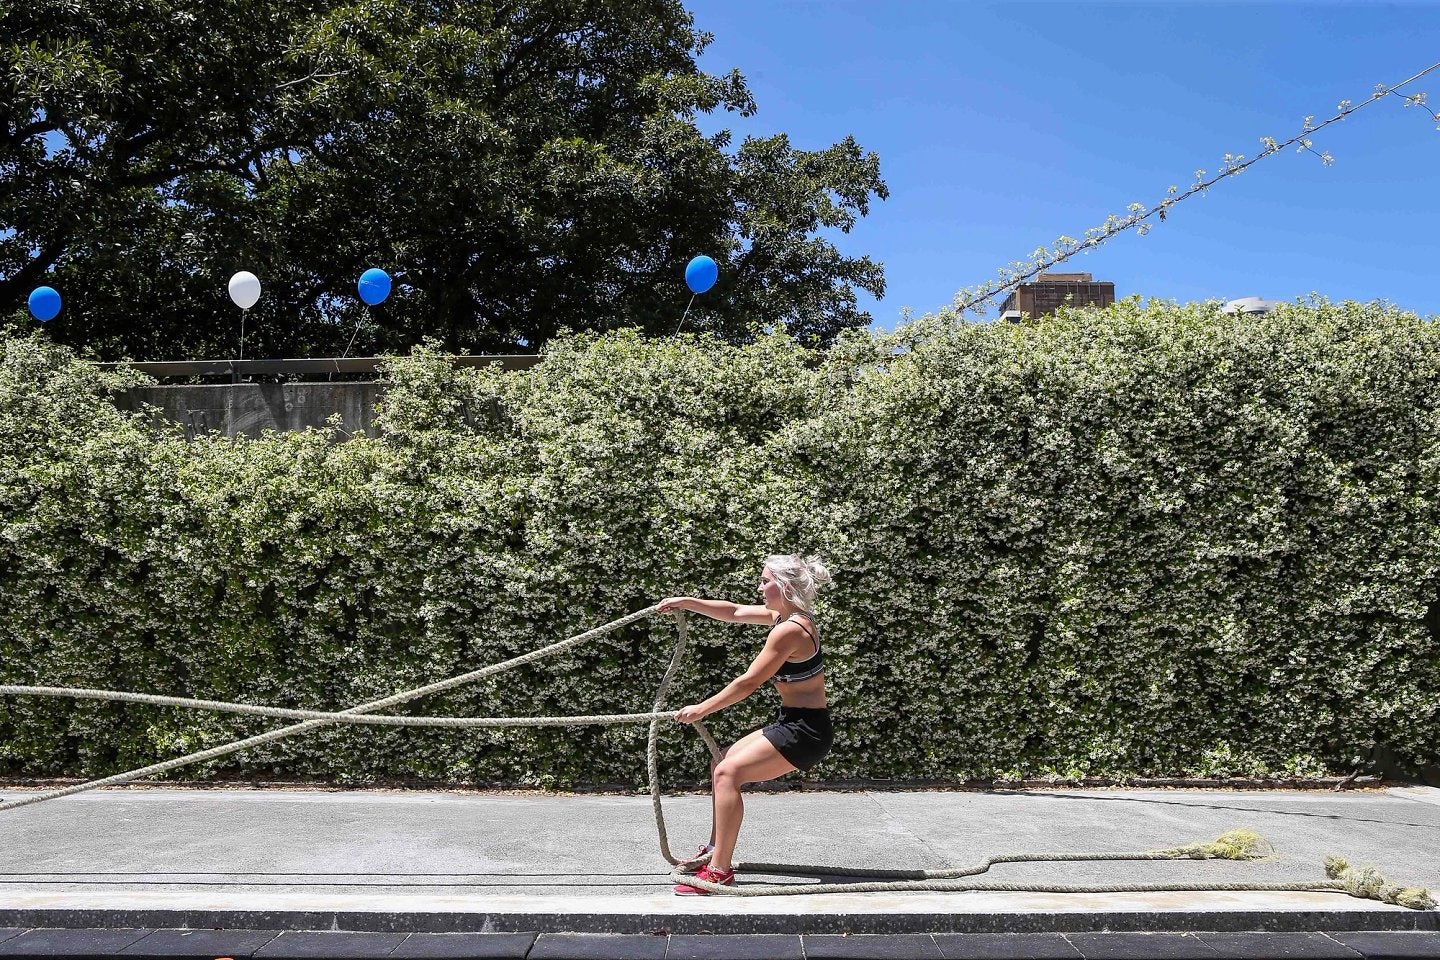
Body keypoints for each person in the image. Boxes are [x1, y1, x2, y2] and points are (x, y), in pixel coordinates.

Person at [656, 554, 834, 895]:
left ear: (783, 586)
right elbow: (733, 612)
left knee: (727, 774)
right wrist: (686, 603)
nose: (759, 587)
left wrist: (701, 709)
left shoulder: (790, 630)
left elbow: (749, 682)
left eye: (765, 581)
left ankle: (719, 872)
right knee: (722, 763)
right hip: (794, 721)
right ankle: (713, 851)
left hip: (806, 732)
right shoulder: (785, 617)